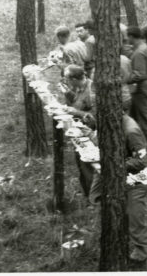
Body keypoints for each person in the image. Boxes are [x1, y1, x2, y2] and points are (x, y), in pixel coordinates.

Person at [87, 107, 147, 271]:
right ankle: (132, 248)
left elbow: (141, 162)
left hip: (136, 181)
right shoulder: (109, 122)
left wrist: (114, 165)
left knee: (137, 226)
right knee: (97, 198)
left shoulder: (131, 130)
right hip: (116, 175)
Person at [58, 64, 95, 197]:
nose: (65, 81)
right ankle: (87, 192)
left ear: (73, 79)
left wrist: (76, 112)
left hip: (89, 133)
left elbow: (94, 117)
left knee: (87, 165)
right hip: (79, 131)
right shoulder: (79, 87)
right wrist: (67, 93)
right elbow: (77, 101)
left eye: (66, 78)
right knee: (80, 163)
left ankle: (93, 197)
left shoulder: (91, 90)